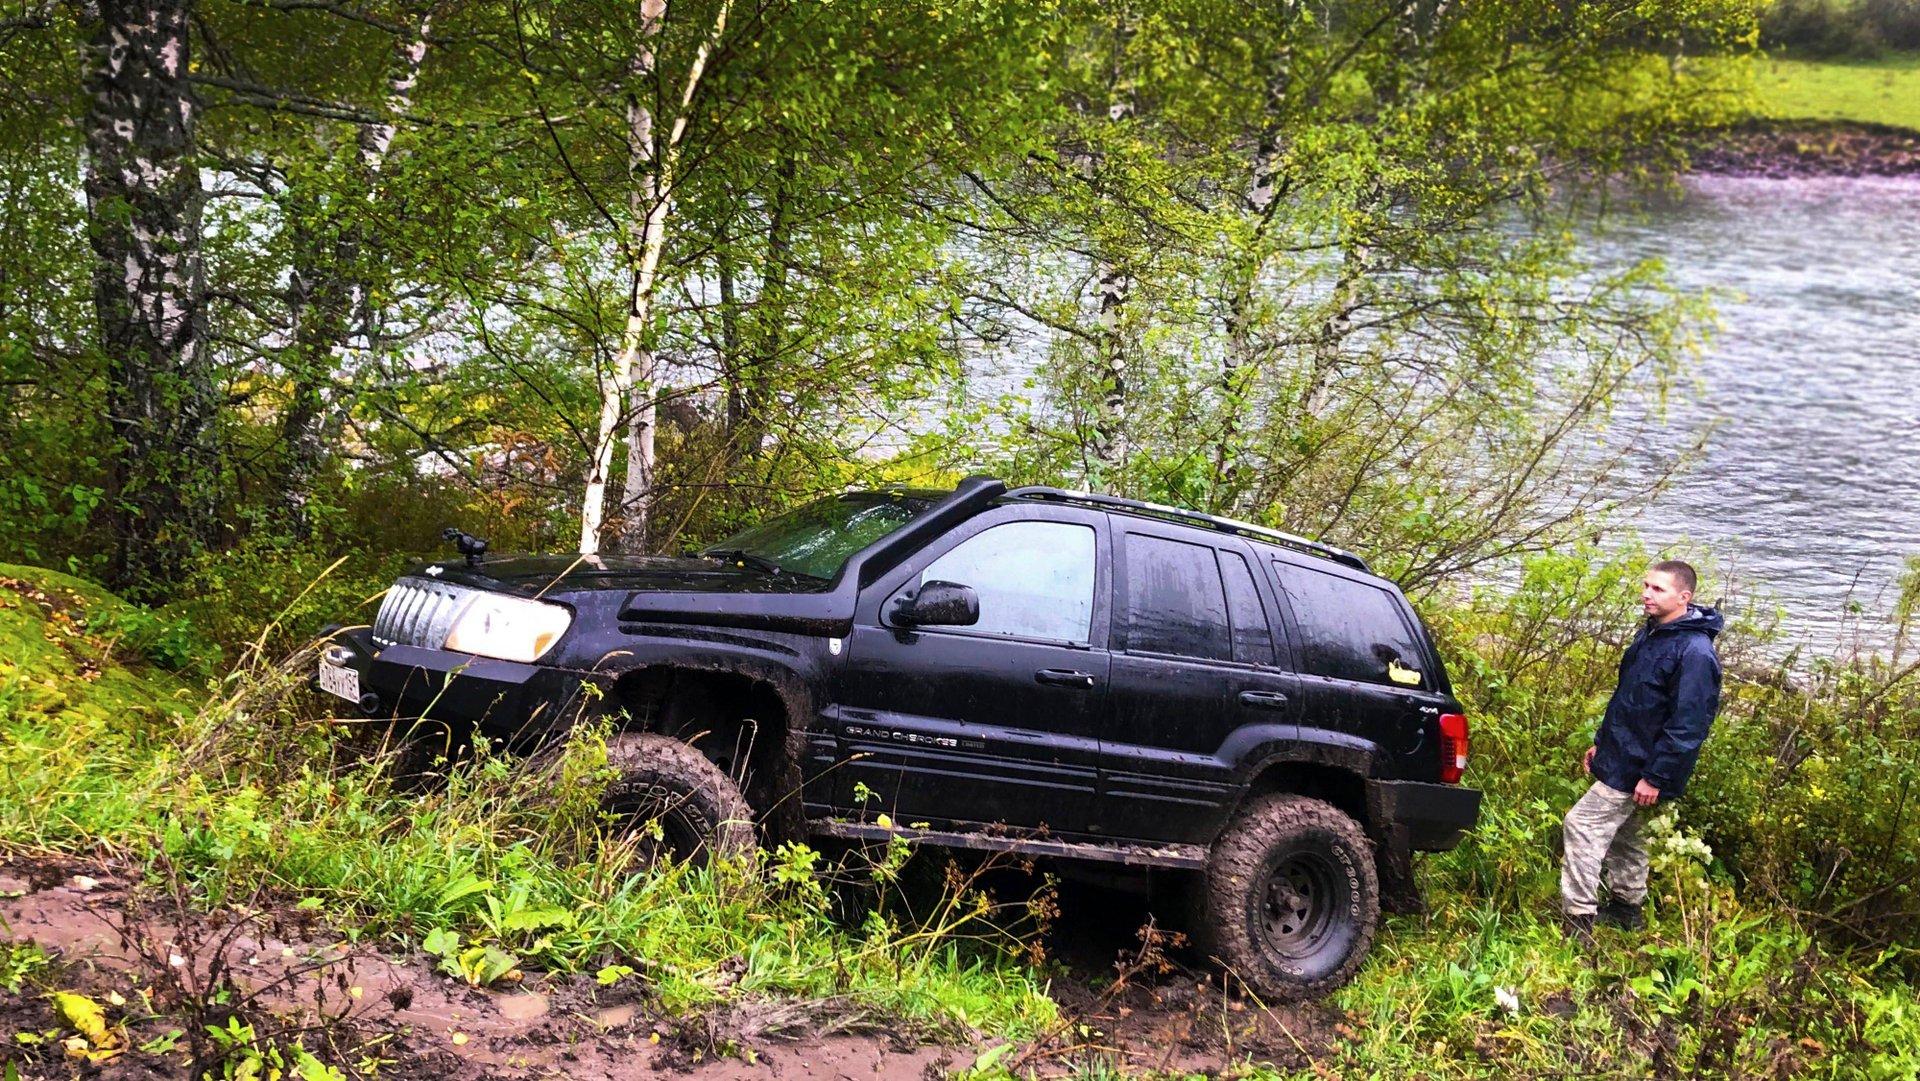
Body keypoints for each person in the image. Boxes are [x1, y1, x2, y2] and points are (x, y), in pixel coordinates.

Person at [1561, 560, 1723, 945]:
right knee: (1629, 837)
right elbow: (1629, 699)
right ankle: (1626, 911)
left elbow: (1689, 725)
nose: (1647, 594)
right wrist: (1602, 743)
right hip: (1621, 755)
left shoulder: (1695, 652)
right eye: (1647, 586)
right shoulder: (1651, 634)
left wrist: (1655, 776)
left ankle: (1579, 919)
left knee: (1581, 825)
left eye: (1658, 589)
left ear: (1684, 597)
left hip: (1643, 767)